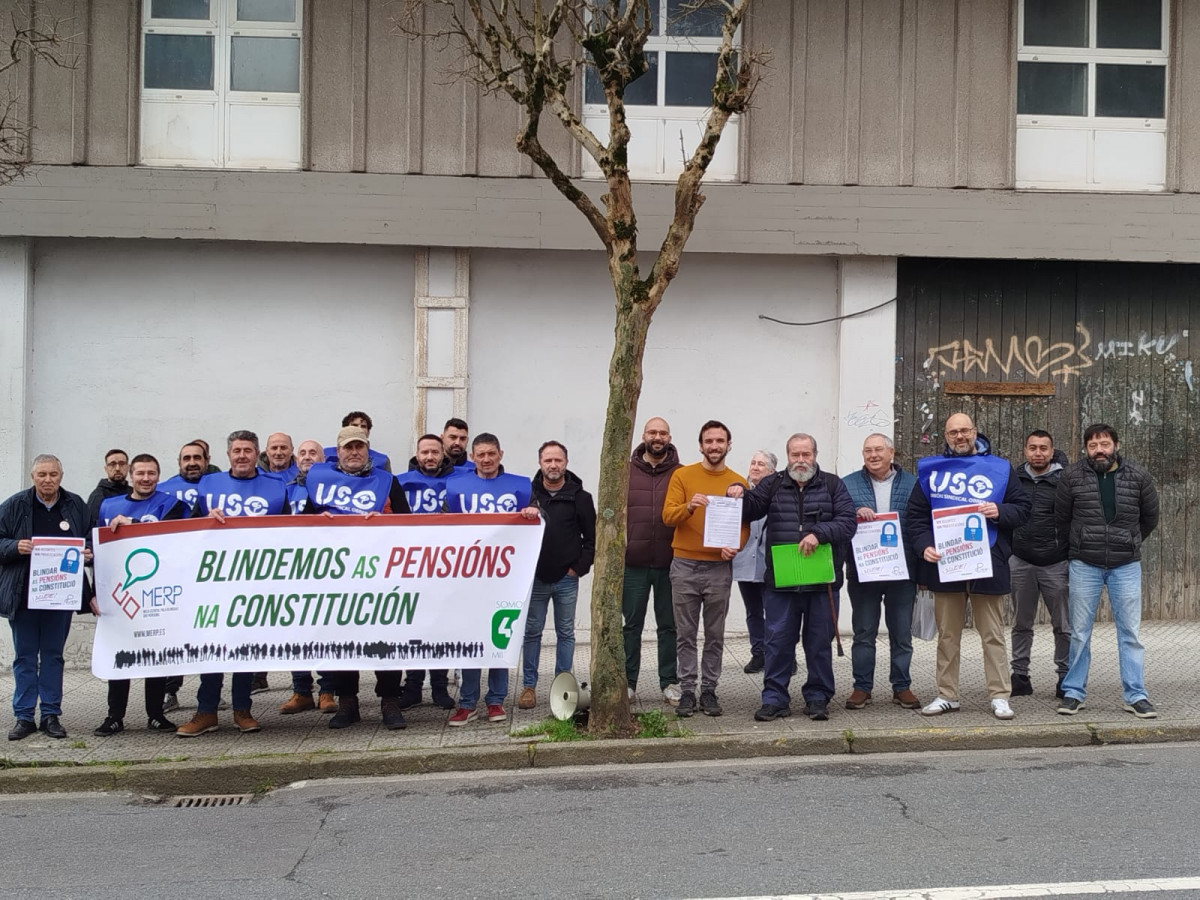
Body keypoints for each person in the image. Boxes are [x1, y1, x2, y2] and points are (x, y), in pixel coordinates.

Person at [907, 413, 1030, 721]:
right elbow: (916, 518)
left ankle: (1000, 695)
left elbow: (1024, 509)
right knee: (948, 635)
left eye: (964, 430)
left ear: (975, 432)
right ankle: (947, 695)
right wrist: (924, 547)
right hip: (945, 564)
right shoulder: (932, 472)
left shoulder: (1000, 469)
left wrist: (999, 511)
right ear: (945, 436)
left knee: (992, 634)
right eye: (953, 432)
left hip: (987, 562)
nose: (959, 436)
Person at [731, 434, 857, 722]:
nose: (801, 461)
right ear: (787, 457)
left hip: (821, 583)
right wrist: (738, 490)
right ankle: (774, 698)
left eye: (806, 455)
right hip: (781, 581)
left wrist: (820, 533)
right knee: (777, 642)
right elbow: (750, 509)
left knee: (818, 643)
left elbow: (848, 523)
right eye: (795, 455)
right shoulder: (772, 483)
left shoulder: (833, 484)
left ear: (815, 455)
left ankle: (818, 697)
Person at [175, 431, 290, 738]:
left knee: (244, 647)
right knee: (212, 646)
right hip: (215, 581)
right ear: (228, 455)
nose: (242, 455)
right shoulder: (209, 485)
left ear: (257, 455)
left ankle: (243, 709)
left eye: (248, 450)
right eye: (237, 450)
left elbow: (292, 532)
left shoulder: (276, 487)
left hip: (256, 580)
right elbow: (187, 529)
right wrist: (205, 519)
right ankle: (206, 711)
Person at [305, 425, 413, 729]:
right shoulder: (318, 483)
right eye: (348, 448)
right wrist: (317, 521)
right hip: (336, 579)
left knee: (385, 639)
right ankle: (347, 703)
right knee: (342, 640)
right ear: (337, 453)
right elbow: (298, 525)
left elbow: (411, 526)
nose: (354, 453)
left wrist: (386, 522)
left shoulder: (387, 482)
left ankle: (389, 702)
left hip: (381, 577)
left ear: (368, 450)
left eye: (359, 447)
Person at [1055, 424, 1160, 719]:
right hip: (1084, 564)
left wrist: (1129, 541)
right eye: (1092, 445)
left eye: (1104, 444)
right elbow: (1062, 519)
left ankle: (1136, 695)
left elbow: (1150, 517)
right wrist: (1078, 545)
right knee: (1079, 633)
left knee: (1130, 633)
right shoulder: (1071, 476)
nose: (1099, 450)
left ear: (1115, 444)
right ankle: (1074, 692)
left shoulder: (1138, 475)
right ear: (1085, 448)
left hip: (1125, 565)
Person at [93, 454, 188, 736]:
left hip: (158, 592)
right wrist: (95, 591)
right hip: (119, 593)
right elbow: (98, 550)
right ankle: (114, 716)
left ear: (159, 475)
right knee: (119, 654)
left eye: (152, 473)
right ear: (131, 476)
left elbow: (174, 539)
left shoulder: (172, 504)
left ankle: (156, 714)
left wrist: (133, 522)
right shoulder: (108, 505)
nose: (146, 478)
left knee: (155, 655)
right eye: (141, 473)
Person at [1, 455, 95, 741]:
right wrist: (15, 546)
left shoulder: (75, 505)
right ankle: (24, 716)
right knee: (25, 657)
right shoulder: (15, 505)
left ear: (61, 476)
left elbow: (92, 537)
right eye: (42, 474)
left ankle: (51, 714)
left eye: (53, 474)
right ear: (33, 477)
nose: (48, 480)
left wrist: (89, 553)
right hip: (24, 596)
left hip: (60, 598)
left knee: (53, 656)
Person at [661, 420, 748, 718]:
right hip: (684, 564)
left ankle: (709, 690)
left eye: (720, 441)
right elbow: (667, 516)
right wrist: (688, 507)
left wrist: (734, 545)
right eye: (709, 441)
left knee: (715, 633)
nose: (714, 446)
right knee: (685, 633)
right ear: (700, 445)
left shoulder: (738, 483)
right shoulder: (682, 476)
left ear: (728, 445)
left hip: (718, 567)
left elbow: (744, 526)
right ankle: (687, 690)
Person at [444, 433, 532, 725]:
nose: (486, 459)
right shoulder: (455, 486)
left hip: (505, 576)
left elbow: (535, 522)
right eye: (480, 454)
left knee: (498, 635)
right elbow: (445, 527)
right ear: (472, 456)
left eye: (491, 454)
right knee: (470, 638)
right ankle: (468, 702)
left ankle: (496, 700)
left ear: (500, 454)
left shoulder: (520, 487)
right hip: (469, 575)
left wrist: (534, 512)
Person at [840, 434, 921, 710]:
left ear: (891, 452)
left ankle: (902, 686)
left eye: (878, 450)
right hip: (864, 572)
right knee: (863, 632)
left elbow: (920, 525)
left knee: (901, 633)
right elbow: (836, 519)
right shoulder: (847, 484)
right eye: (868, 450)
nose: (873, 455)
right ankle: (862, 687)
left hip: (902, 572)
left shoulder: (913, 484)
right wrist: (853, 512)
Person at [517, 441, 595, 710]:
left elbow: (592, 539)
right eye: (548, 460)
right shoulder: (526, 495)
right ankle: (529, 686)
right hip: (536, 577)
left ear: (566, 462)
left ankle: (563, 684)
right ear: (540, 463)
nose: (553, 465)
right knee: (532, 632)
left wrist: (578, 568)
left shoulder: (581, 497)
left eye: (558, 460)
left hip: (566, 578)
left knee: (566, 633)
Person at [394, 434, 457, 710]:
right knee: (413, 627)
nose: (430, 457)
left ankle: (440, 687)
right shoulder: (399, 481)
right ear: (417, 454)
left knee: (441, 627)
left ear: (443, 453)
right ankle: (413, 686)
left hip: (445, 566)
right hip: (410, 566)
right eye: (425, 452)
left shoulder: (458, 480)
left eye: (435, 452)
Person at [622, 417, 682, 705]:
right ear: (643, 435)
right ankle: (627, 682)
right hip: (633, 563)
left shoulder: (682, 474)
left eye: (662, 432)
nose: (657, 437)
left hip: (672, 563)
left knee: (669, 626)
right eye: (652, 432)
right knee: (631, 625)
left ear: (669, 437)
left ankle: (669, 682)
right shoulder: (625, 471)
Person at [278, 439, 339, 715]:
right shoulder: (285, 489)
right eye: (302, 453)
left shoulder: (332, 489)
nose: (307, 457)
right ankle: (301, 690)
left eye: (313, 452)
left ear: (323, 458)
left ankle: (327, 690)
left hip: (325, 568)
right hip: (291, 570)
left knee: (325, 629)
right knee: (295, 631)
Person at [1009, 430, 1071, 699]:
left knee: (1064, 625)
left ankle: (1066, 677)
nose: (1038, 453)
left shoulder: (1066, 481)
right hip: (1020, 560)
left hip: (1055, 562)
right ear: (1025, 450)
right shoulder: (1012, 479)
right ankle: (1019, 676)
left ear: (1052, 450)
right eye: (1033, 447)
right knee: (1021, 623)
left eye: (1043, 448)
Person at [157, 440, 212, 710]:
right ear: (179, 462)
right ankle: (170, 691)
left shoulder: (216, 487)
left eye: (197, 457)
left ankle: (211, 693)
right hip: (176, 575)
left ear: (207, 459)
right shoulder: (164, 491)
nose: (192, 462)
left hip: (208, 574)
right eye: (186, 457)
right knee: (176, 635)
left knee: (208, 636)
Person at [731, 450, 776, 676]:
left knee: (777, 612)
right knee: (753, 611)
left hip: (772, 564)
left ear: (772, 471)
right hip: (745, 561)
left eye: (761, 464)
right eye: (753, 462)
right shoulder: (740, 492)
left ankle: (780, 653)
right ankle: (758, 652)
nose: (755, 467)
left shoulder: (778, 493)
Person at [324, 411, 391, 473]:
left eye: (363, 426)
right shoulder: (326, 454)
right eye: (354, 425)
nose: (359, 428)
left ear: (368, 432)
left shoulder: (382, 460)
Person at [86, 448, 129, 525]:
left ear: (128, 467)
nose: (117, 468)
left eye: (122, 464)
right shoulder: (97, 496)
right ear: (106, 469)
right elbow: (91, 528)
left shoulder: (134, 492)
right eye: (112, 464)